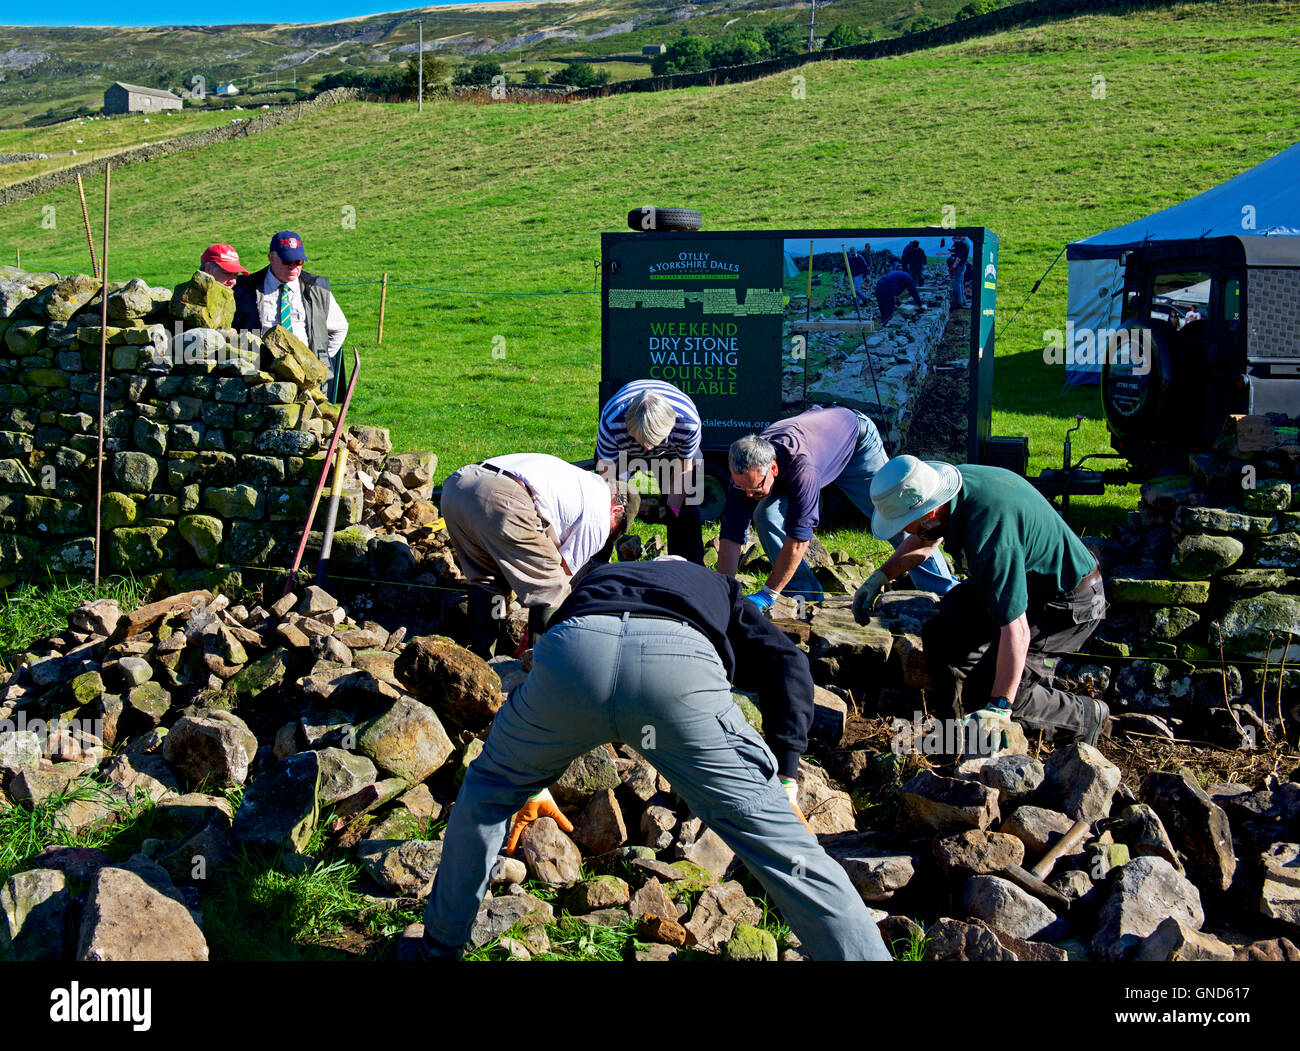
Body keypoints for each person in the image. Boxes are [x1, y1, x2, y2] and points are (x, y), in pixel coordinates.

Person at [412, 559, 893, 962]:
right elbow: (787, 662)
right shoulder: (716, 585)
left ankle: (438, 946)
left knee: (489, 789)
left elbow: (543, 655)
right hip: (677, 672)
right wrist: (785, 773)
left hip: (576, 656)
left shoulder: (598, 575)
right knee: (782, 847)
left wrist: (529, 779)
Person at [852, 455, 1110, 745]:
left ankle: (1085, 716)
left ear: (931, 511)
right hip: (1024, 583)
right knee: (942, 634)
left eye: (907, 526)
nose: (904, 533)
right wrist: (881, 576)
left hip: (1066, 603)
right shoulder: (947, 493)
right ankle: (956, 737)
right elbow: (926, 538)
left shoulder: (989, 533)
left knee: (999, 691)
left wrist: (999, 706)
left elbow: (1017, 631)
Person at [717, 406, 956, 607]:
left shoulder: (802, 469)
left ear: (774, 469)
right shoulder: (746, 474)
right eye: (742, 488)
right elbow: (731, 535)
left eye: (755, 488)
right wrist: (723, 594)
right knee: (766, 516)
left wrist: (766, 594)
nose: (748, 494)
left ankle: (946, 592)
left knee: (900, 518)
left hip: (857, 444)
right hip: (820, 447)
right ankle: (804, 594)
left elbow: (800, 539)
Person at [441, 452, 639, 657]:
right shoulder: (599, 515)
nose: (609, 535)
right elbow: (557, 577)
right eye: (616, 529)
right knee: (553, 588)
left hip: (458, 488)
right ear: (616, 510)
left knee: (488, 581)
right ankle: (539, 663)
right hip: (503, 499)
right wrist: (529, 637)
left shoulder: (581, 482)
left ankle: (481, 657)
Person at [596, 379, 704, 564]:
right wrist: (621, 509)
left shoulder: (688, 424)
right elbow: (608, 478)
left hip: (671, 452)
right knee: (604, 508)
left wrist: (672, 511)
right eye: (642, 441)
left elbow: (684, 469)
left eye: (653, 442)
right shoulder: (611, 423)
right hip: (623, 450)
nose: (647, 450)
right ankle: (595, 563)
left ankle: (688, 566)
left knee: (686, 506)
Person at [233, 230, 349, 399]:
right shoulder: (247, 287)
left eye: (299, 261)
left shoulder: (317, 288)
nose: (294, 266)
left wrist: (318, 360)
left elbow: (340, 327)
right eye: (287, 261)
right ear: (271, 257)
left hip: (306, 378)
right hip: (260, 374)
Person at [949, 236, 971, 309]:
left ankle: (959, 302)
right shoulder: (966, 242)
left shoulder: (962, 243)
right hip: (963, 264)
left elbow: (959, 257)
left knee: (957, 283)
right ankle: (962, 299)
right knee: (961, 283)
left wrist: (953, 266)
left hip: (959, 265)